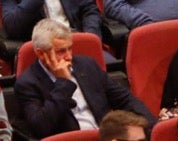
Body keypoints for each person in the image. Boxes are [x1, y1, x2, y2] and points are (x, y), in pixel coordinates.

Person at [14, 20, 153, 137]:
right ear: (41, 54)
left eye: (70, 48)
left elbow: (125, 99)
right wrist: (64, 82)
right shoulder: (27, 83)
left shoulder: (87, 65)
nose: (69, 56)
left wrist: (153, 127)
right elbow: (41, 127)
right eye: (61, 51)